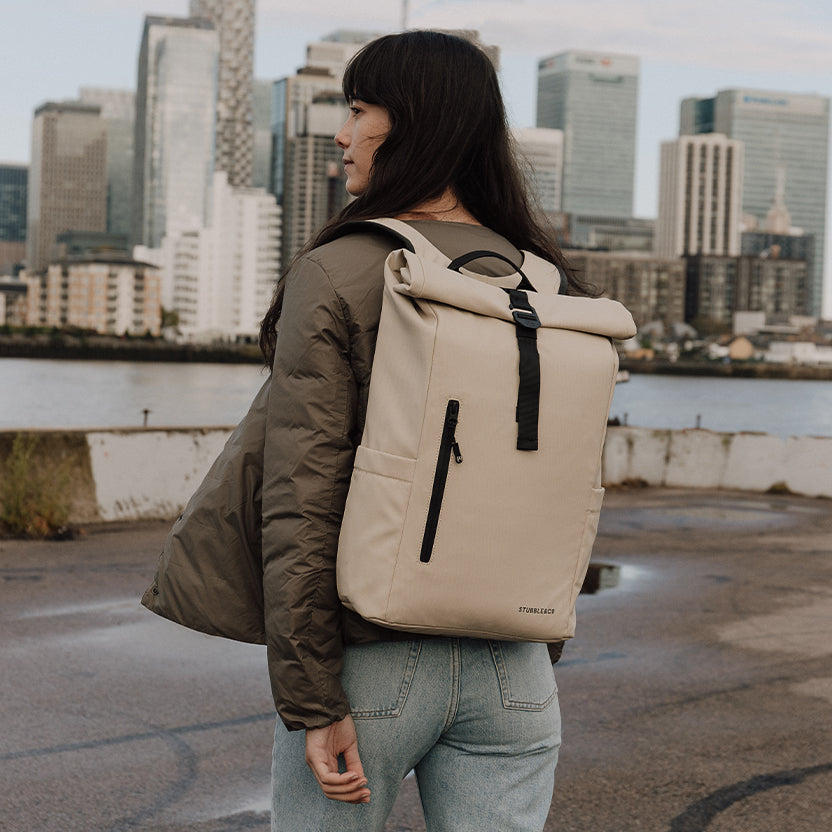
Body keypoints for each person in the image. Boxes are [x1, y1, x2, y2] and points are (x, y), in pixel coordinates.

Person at [259, 30, 592, 832]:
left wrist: (312, 699)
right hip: (515, 664)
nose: (341, 134)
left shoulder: (341, 269)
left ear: (414, 122)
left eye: (359, 108)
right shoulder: (544, 280)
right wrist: (533, 643)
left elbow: (302, 503)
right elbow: (562, 482)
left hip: (373, 661)